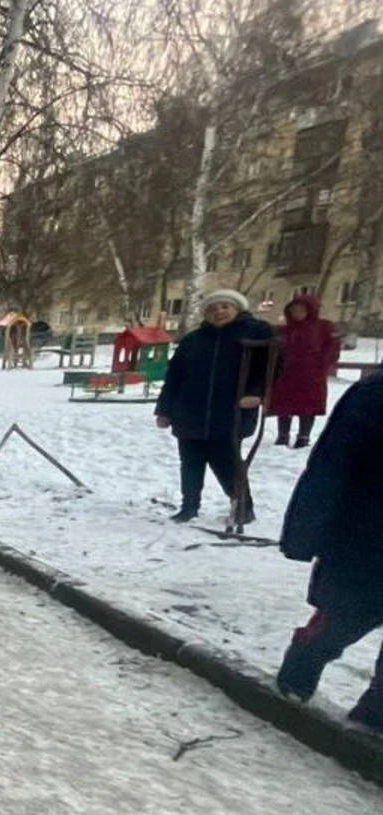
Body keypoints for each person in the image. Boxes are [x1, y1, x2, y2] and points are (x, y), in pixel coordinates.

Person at [276, 370, 383, 730]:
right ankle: (301, 666)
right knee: (344, 617)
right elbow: (331, 464)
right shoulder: (373, 394)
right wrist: (305, 531)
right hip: (366, 535)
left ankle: (373, 718)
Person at [153, 289, 275, 524]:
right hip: (189, 412)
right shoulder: (193, 340)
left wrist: (257, 393)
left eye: (225, 307)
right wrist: (164, 409)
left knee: (227, 462)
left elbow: (270, 367)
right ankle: (189, 507)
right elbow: (175, 377)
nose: (219, 312)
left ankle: (243, 507)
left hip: (230, 412)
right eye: (212, 308)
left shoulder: (254, 334)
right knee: (190, 462)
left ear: (237, 309)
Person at [271, 292, 341, 449]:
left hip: (311, 374)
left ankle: (304, 436)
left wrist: (321, 366)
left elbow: (332, 348)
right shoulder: (284, 330)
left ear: (310, 310)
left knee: (308, 405)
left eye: (301, 310)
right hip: (286, 373)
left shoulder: (323, 327)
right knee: (284, 404)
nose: (297, 313)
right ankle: (283, 435)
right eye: (293, 310)